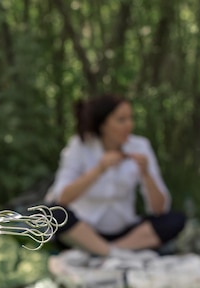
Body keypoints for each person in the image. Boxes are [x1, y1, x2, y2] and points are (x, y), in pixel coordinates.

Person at [45, 94, 185, 259]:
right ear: (103, 124)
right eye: (121, 120)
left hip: (126, 234)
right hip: (84, 231)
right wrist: (99, 169)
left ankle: (106, 251)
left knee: (175, 220)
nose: (129, 125)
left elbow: (160, 209)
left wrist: (147, 175)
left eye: (130, 119)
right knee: (53, 214)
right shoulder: (79, 146)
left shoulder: (140, 146)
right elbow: (62, 197)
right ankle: (113, 253)